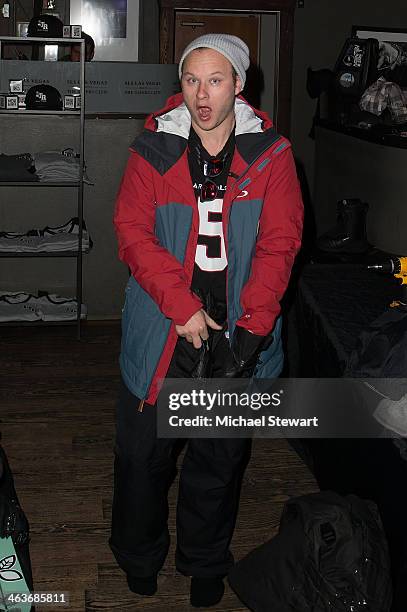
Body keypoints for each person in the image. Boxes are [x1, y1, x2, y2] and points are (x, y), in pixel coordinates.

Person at [109, 33, 304, 608]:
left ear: (239, 85)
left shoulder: (271, 154)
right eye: (191, 80)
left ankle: (204, 562)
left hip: (238, 335)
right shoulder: (153, 150)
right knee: (142, 460)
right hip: (163, 334)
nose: (201, 95)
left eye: (215, 80)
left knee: (216, 462)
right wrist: (183, 307)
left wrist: (252, 327)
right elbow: (132, 235)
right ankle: (139, 557)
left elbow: (280, 243)